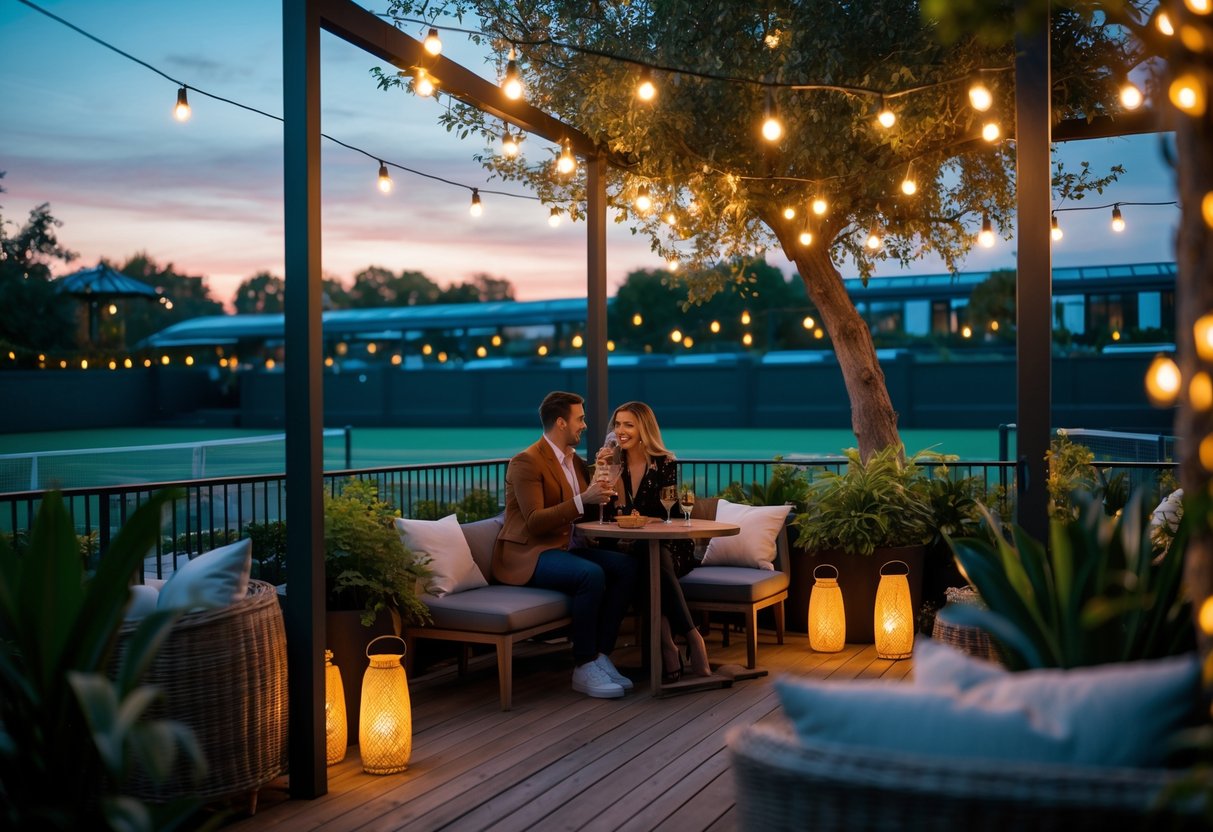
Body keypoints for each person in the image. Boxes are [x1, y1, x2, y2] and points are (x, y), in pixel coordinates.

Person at [493, 390, 640, 699]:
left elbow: (583, 509)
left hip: (564, 547)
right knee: (591, 574)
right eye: (580, 419)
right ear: (561, 422)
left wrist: (604, 488)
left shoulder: (574, 461)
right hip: (530, 554)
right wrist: (582, 499)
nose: (585, 425)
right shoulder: (526, 462)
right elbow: (534, 521)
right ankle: (583, 665)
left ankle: (600, 655)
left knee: (627, 567)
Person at [605, 401, 712, 681]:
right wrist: (607, 470)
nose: (621, 431)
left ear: (644, 428)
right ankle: (687, 638)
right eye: (617, 425)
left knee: (648, 560)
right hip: (630, 547)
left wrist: (647, 520)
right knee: (643, 560)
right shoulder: (614, 464)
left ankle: (673, 643)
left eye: (628, 424)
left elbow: (673, 515)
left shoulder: (664, 463)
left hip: (669, 546)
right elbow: (613, 512)